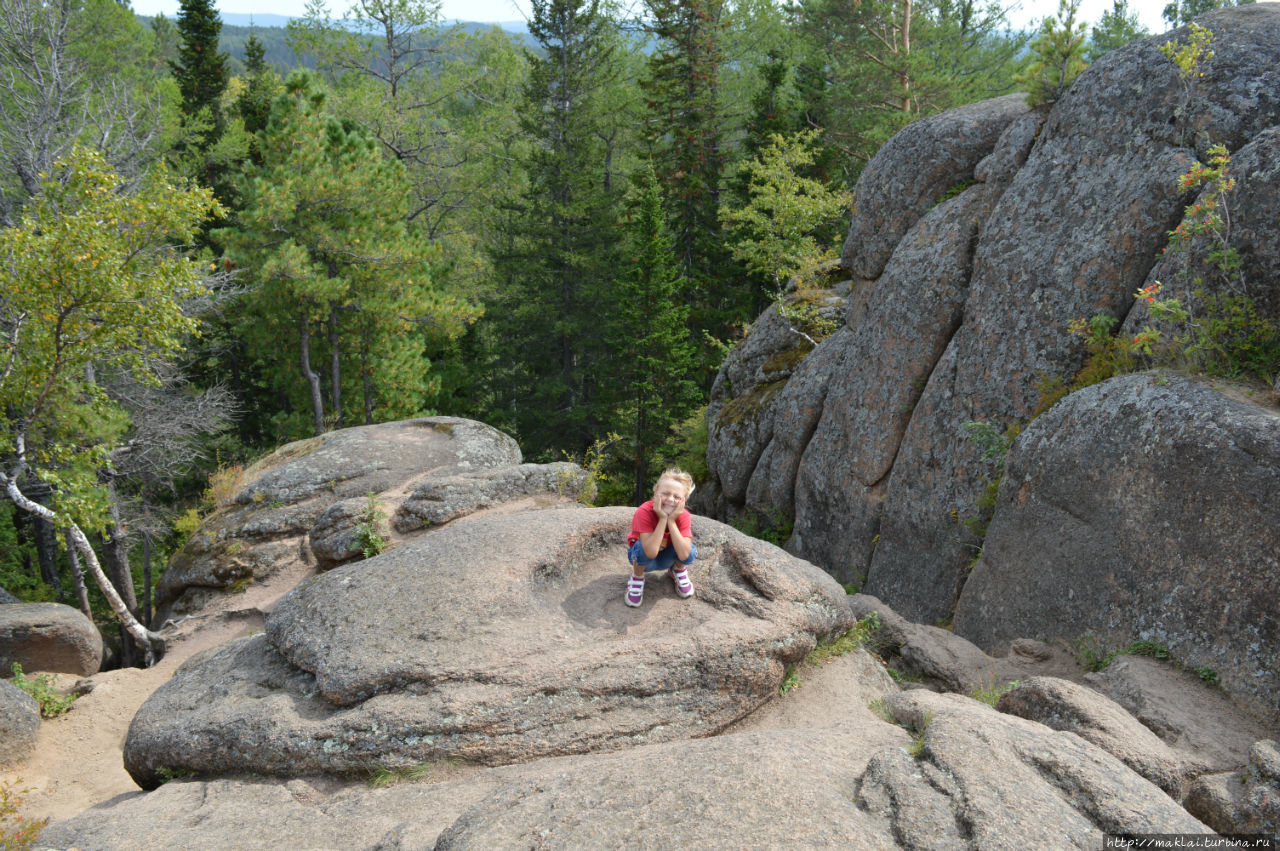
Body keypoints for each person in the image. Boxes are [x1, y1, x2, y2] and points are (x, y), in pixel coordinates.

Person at [624, 468, 697, 607]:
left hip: (668, 558)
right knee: (640, 546)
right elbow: (650, 552)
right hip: (645, 560)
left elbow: (684, 554)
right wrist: (663, 519)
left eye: (677, 497)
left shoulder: (684, 516)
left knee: (690, 550)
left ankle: (677, 570)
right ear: (656, 493)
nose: (670, 499)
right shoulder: (644, 512)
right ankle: (637, 577)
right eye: (665, 494)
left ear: (684, 501)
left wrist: (672, 521)